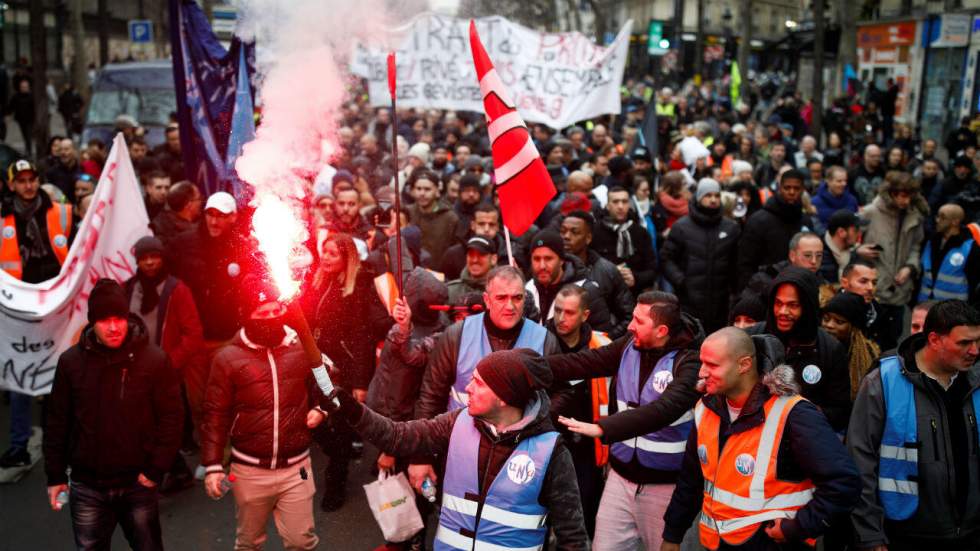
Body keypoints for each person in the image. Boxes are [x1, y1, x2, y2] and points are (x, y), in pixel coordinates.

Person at [326, 349, 589, 550]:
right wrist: (350, 408)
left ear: (504, 396)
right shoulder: (457, 421)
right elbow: (398, 436)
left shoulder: (552, 453)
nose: (468, 388)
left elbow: (573, 538)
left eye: (479, 382)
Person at [661, 327, 861, 551]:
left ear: (744, 365)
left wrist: (797, 528)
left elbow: (844, 483)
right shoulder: (705, 408)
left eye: (713, 365)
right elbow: (691, 479)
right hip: (717, 543)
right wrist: (672, 535)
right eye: (702, 363)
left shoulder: (795, 414)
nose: (702, 373)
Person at [543, 292, 704, 550]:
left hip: (666, 489)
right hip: (619, 480)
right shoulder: (629, 344)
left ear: (661, 330)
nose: (630, 326)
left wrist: (603, 428)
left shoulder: (691, 362)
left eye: (638, 321)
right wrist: (529, 366)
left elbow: (663, 410)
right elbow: (583, 362)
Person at [43, 279, 183, 551]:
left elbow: (172, 416)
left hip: (137, 484)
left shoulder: (153, 360)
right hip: (88, 487)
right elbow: (57, 420)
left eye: (118, 318)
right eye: (105, 319)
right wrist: (55, 475)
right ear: (92, 322)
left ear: (127, 318)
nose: (113, 327)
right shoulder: (71, 363)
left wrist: (156, 468)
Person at [200, 277, 327, 550]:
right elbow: (215, 414)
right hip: (250, 471)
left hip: (298, 469)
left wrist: (321, 408)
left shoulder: (301, 346)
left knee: (301, 541)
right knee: (249, 543)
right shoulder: (227, 358)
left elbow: (328, 384)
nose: (271, 318)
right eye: (262, 313)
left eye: (275, 311)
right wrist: (212, 465)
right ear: (247, 316)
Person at [411, 266, 560, 496]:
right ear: (487, 300)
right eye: (501, 298)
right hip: (460, 455)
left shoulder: (544, 341)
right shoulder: (457, 335)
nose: (510, 306)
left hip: (517, 463)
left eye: (517, 298)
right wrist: (420, 456)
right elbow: (431, 396)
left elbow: (559, 398)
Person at [848, 300, 980, 550]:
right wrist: (871, 536)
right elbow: (859, 461)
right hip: (904, 536)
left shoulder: (975, 381)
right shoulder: (883, 382)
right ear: (934, 340)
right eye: (964, 343)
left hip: (971, 534)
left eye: (978, 341)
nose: (974, 350)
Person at [306, 232, 392, 510]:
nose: (326, 257)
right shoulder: (318, 282)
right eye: (325, 251)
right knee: (315, 423)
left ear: (347, 258)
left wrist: (359, 380)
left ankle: (335, 484)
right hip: (318, 365)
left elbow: (361, 337)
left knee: (340, 426)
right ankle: (341, 452)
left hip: (343, 368)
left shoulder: (357, 287)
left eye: (333, 253)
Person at [1, 159, 74, 471]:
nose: (28, 185)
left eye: (32, 179)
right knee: (20, 372)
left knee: (63, 373)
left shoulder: (60, 212)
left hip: (57, 303)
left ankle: (66, 442)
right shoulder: (2, 219)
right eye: (22, 181)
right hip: (18, 308)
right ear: (11, 185)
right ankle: (19, 445)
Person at [123, 236, 204, 484]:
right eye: (144, 258)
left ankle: (174, 470)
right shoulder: (127, 289)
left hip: (167, 370)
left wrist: (169, 363)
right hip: (136, 369)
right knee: (146, 423)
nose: (149, 263)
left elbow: (193, 334)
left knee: (165, 423)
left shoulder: (176, 289)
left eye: (154, 257)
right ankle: (175, 469)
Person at [745, 267, 851, 431]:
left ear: (807, 307)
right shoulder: (751, 338)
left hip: (802, 441)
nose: (783, 311)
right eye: (778, 303)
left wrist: (801, 413)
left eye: (792, 305)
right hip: (752, 437)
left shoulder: (830, 349)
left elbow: (840, 412)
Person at [661, 177, 741, 332]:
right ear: (699, 198)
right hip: (689, 303)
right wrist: (681, 281)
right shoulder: (682, 227)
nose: (713, 200)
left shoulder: (731, 228)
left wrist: (734, 293)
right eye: (708, 195)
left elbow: (737, 264)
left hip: (721, 304)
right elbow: (666, 258)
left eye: (716, 196)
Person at [861, 170, 927, 351]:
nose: (904, 200)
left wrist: (910, 267)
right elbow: (849, 239)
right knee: (870, 340)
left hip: (899, 287)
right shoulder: (871, 212)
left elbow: (916, 245)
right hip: (874, 285)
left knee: (893, 339)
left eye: (908, 196)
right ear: (890, 193)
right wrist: (859, 250)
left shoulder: (915, 215)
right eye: (900, 195)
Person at [560, 210, 634, 338]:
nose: (566, 236)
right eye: (563, 231)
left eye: (574, 232)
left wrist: (606, 339)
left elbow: (628, 316)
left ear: (588, 238)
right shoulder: (552, 269)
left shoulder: (607, 271)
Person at [524, 228, 613, 334]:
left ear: (561, 260)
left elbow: (601, 339)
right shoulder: (527, 289)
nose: (542, 266)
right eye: (537, 259)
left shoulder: (587, 290)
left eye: (548, 259)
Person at [737, 169, 814, 288]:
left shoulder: (806, 221)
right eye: (787, 188)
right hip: (763, 290)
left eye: (796, 188)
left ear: (803, 190)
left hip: (798, 288)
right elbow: (745, 263)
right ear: (779, 188)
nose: (792, 192)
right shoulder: (758, 220)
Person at [591, 186, 658, 291]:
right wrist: (611, 272)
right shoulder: (595, 232)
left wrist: (635, 278)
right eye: (615, 202)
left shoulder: (640, 232)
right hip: (604, 293)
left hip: (634, 293)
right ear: (608, 205)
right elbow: (588, 267)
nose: (620, 206)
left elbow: (652, 270)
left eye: (624, 201)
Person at [821, 291, 881, 400]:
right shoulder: (816, 346)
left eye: (839, 322)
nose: (829, 325)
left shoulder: (866, 357)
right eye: (826, 319)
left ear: (854, 328)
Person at [919, 203, 980, 303]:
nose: (937, 220)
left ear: (955, 222)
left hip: (952, 310)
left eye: (943, 217)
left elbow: (973, 281)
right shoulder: (931, 241)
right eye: (937, 216)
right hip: (924, 304)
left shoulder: (970, 247)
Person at [407, 169, 459, 268]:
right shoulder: (408, 213)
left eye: (427, 189)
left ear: (436, 191)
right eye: (418, 188)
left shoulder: (450, 218)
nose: (422, 193)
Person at [821, 209, 869, 284]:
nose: (859, 234)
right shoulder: (820, 256)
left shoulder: (854, 255)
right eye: (855, 230)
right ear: (841, 232)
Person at [446, 236, 496, 305]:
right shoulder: (450, 291)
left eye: (481, 255)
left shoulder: (504, 291)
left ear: (494, 259)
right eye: (471, 254)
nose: (475, 260)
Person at [150, 181, 202, 248]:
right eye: (199, 198)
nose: (201, 202)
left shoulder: (202, 223)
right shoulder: (162, 233)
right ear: (188, 205)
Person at [811, 166, 859, 232]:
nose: (844, 184)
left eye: (845, 181)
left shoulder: (852, 200)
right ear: (828, 181)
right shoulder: (815, 202)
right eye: (839, 181)